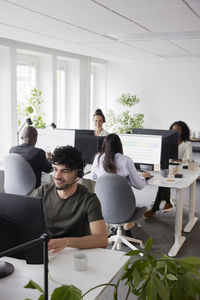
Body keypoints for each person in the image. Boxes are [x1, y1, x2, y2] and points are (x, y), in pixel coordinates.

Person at [32, 145, 108, 253]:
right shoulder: (43, 192)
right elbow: (26, 222)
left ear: (78, 174)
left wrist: (65, 242)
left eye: (65, 171)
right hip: (47, 251)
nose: (57, 176)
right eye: (55, 169)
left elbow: (102, 239)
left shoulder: (89, 200)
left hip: (74, 253)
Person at [91, 133, 151, 230]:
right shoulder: (126, 161)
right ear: (120, 145)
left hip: (102, 209)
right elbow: (139, 185)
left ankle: (119, 229)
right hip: (125, 210)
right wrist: (143, 177)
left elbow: (93, 178)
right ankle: (126, 226)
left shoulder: (98, 158)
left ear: (104, 145)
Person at [144, 120, 192, 218]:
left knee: (163, 182)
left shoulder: (187, 144)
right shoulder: (167, 141)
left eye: (178, 130)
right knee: (163, 180)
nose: (175, 132)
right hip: (167, 167)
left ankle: (156, 207)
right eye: (173, 130)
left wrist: (179, 159)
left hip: (179, 169)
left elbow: (189, 160)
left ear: (183, 131)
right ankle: (167, 202)